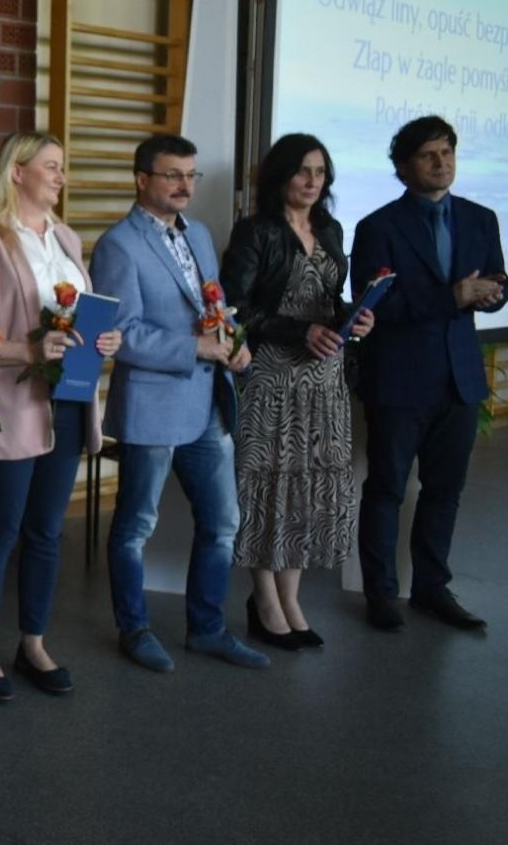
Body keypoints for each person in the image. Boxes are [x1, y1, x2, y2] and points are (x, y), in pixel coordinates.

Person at [90, 134, 269, 673]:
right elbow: (123, 335)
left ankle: (207, 628)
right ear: (142, 179)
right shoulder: (119, 244)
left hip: (207, 401)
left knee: (222, 522)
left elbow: (216, 308)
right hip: (152, 405)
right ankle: (134, 628)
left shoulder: (202, 235)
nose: (184, 186)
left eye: (191, 175)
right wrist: (199, 348)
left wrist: (235, 344)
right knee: (136, 526)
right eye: (172, 175)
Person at [0, 132, 121, 702]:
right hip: (11, 403)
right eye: (51, 166)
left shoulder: (68, 238)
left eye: (63, 168)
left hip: (69, 400)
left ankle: (33, 641)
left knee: (47, 532)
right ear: (17, 172)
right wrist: (27, 351)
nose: (61, 177)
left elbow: (79, 318)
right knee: (0, 529)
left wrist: (102, 338)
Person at [349, 115, 508, 633]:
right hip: (399, 380)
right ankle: (381, 594)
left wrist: (496, 293)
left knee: (445, 490)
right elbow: (376, 309)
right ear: (403, 167)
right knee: (388, 489)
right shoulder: (377, 227)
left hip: (460, 379)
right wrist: (454, 297)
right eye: (428, 155)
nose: (441, 163)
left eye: (447, 153)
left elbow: (499, 281)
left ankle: (432, 588)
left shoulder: (481, 218)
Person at [220, 134, 374, 650]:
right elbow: (237, 309)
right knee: (266, 487)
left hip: (324, 380)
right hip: (272, 377)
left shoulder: (329, 229)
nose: (312, 182)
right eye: (303, 171)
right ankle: (264, 600)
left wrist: (353, 317)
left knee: (307, 491)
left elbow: (326, 298)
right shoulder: (255, 231)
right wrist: (299, 331)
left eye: (321, 172)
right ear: (281, 175)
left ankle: (291, 600)